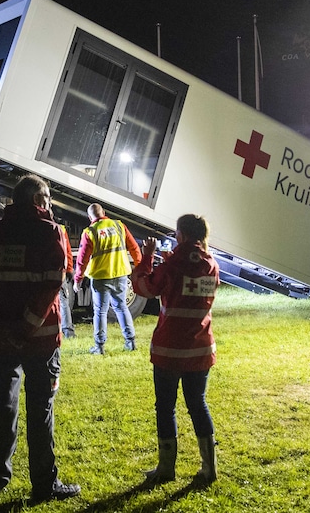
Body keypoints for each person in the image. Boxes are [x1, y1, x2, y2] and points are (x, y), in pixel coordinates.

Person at [0, 175, 81, 502]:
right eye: (48, 201)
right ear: (40, 202)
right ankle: (44, 484)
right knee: (41, 408)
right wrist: (26, 327)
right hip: (41, 340)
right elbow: (54, 283)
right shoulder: (52, 234)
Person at [131, 214, 220, 484]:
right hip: (200, 347)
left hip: (170, 349)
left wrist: (147, 257)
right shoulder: (211, 264)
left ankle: (166, 469)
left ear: (180, 235)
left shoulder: (172, 264)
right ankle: (209, 468)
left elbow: (144, 287)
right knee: (198, 405)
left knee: (166, 407)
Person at [74, 203, 142, 354]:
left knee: (100, 311)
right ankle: (130, 342)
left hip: (100, 277)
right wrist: (139, 266)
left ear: (90, 217)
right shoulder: (119, 225)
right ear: (103, 212)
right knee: (121, 307)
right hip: (120, 273)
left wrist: (77, 279)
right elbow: (134, 247)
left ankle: (99, 346)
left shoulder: (90, 232)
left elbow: (82, 259)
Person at [57, 221, 76, 339]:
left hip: (42, 271)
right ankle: (68, 331)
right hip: (59, 271)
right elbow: (67, 252)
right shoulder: (61, 228)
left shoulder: (35, 226)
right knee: (63, 301)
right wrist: (69, 269)